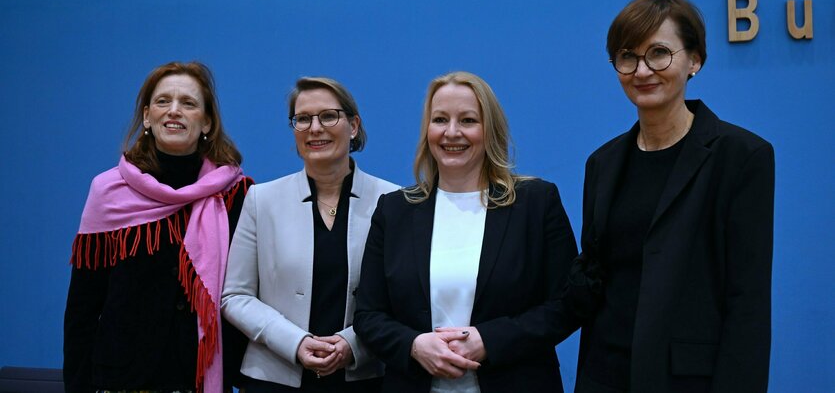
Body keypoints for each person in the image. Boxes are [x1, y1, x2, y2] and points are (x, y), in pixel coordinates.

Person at [572, 0, 775, 393]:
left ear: (694, 60)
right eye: (628, 56)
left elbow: (747, 303)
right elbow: (592, 280)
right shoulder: (603, 163)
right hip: (603, 375)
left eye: (659, 53)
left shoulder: (742, 156)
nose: (642, 70)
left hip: (687, 380)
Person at [353, 71, 579, 393]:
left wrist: (490, 340)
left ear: (490, 130)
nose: (452, 132)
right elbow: (369, 315)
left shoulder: (536, 203)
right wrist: (414, 345)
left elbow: (568, 303)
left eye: (468, 120)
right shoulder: (394, 210)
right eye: (440, 119)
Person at [64, 61, 253, 393]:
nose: (174, 111)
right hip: (121, 378)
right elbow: (83, 305)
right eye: (163, 101)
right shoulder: (107, 192)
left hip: (200, 377)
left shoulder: (236, 195)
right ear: (147, 117)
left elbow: (251, 295)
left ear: (207, 121)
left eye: (189, 103)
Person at [221, 77, 398, 393]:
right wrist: (295, 342)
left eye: (329, 116)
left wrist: (352, 344)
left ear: (353, 126)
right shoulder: (261, 200)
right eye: (303, 119)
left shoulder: (393, 202)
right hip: (274, 377)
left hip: (365, 378)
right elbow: (235, 296)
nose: (315, 128)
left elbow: (403, 300)